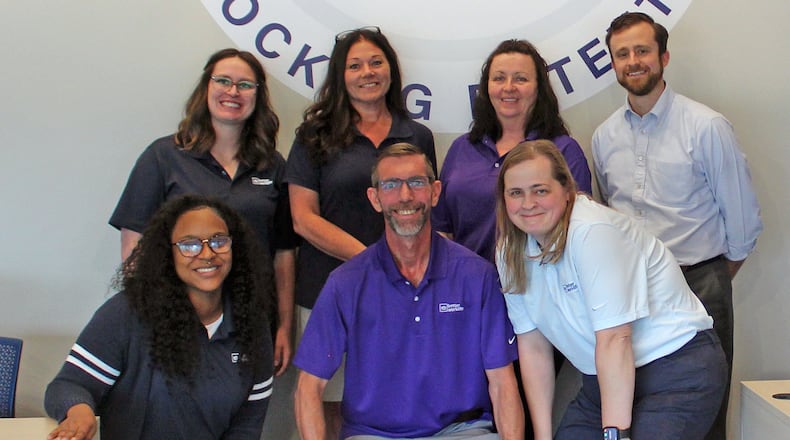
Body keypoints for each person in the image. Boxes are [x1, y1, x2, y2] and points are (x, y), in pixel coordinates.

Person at [591, 12, 763, 439]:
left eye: (642, 50)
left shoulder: (706, 126)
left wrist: (712, 277)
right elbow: (612, 217)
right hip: (630, 292)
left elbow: (742, 223)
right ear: (613, 64)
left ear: (663, 56)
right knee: (634, 405)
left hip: (699, 284)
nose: (633, 61)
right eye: (622, 54)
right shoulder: (603, 137)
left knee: (703, 414)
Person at [496, 140, 727, 440]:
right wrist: (542, 436)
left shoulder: (592, 231)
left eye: (540, 190)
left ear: (566, 191)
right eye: (516, 193)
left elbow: (615, 338)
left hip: (675, 370)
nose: (528, 203)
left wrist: (615, 436)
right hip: (603, 379)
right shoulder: (510, 252)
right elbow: (534, 348)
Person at [294, 143, 523, 439]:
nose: (405, 196)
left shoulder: (477, 276)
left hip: (461, 431)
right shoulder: (346, 283)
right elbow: (307, 388)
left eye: (416, 182)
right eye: (391, 185)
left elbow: (503, 384)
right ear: (375, 198)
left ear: (435, 191)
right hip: (373, 434)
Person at [109, 48, 297, 377]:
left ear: (258, 95)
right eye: (223, 81)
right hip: (177, 318)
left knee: (241, 417)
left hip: (251, 320)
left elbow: (283, 254)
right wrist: (149, 314)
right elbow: (134, 249)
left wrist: (284, 325)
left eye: (245, 85)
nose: (233, 92)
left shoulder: (273, 165)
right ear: (206, 88)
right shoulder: (163, 157)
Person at [285, 26, 436, 437]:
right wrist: (367, 260)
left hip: (401, 294)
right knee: (330, 400)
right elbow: (303, 218)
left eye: (375, 62)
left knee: (390, 397)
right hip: (326, 289)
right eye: (355, 65)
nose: (367, 72)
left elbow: (424, 209)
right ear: (340, 75)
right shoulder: (313, 135)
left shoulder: (416, 135)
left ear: (390, 69)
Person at [46, 195, 274, 440]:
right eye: (190, 245)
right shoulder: (127, 312)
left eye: (219, 241)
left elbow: (247, 425)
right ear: (168, 253)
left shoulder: (252, 323)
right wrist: (80, 413)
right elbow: (67, 386)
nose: (207, 253)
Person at [433, 39, 591, 263]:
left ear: (539, 88)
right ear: (486, 87)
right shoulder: (461, 148)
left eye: (521, 79)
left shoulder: (563, 150)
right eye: (499, 78)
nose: (509, 87)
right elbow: (441, 228)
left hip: (539, 289)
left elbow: (580, 231)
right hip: (470, 289)